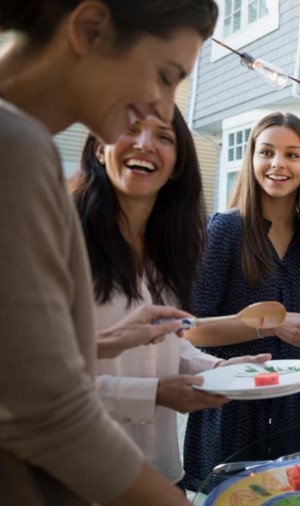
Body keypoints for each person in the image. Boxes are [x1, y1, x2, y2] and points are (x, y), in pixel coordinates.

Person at [0, 1, 218, 505]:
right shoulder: (18, 149)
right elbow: (51, 416)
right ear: (91, 29)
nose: (163, 109)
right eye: (165, 76)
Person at [73, 108, 274, 484]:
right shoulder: (60, 237)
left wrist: (215, 371)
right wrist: (149, 394)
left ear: (177, 163)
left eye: (164, 137)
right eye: (129, 129)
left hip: (162, 469)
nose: (145, 145)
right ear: (100, 147)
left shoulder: (171, 249)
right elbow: (35, 380)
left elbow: (166, 343)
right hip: (83, 478)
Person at [181, 112, 300, 491]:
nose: (278, 164)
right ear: (252, 159)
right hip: (228, 410)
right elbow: (191, 331)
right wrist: (272, 322)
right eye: (267, 152)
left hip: (290, 410)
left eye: (292, 155)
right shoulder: (225, 230)